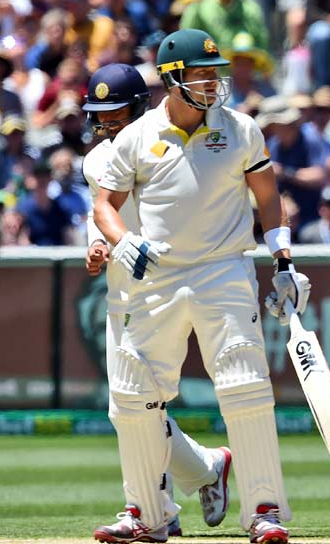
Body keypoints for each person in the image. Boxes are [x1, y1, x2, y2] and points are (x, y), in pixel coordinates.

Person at [91, 29, 310, 544]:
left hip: (222, 272)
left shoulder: (241, 130)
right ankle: (147, 515)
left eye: (215, 74)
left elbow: (267, 196)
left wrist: (283, 261)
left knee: (245, 386)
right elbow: (105, 204)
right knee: (134, 397)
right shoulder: (137, 136)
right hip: (156, 278)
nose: (212, 83)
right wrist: (123, 242)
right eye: (201, 74)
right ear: (172, 78)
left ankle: (264, 510)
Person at [82, 63, 233, 540]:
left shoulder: (165, 146)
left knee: (135, 408)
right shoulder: (97, 160)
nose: (106, 123)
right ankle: (203, 471)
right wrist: (97, 246)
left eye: (115, 112)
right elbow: (104, 213)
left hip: (170, 287)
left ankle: (151, 510)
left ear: (141, 106)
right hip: (123, 294)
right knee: (127, 409)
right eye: (99, 115)